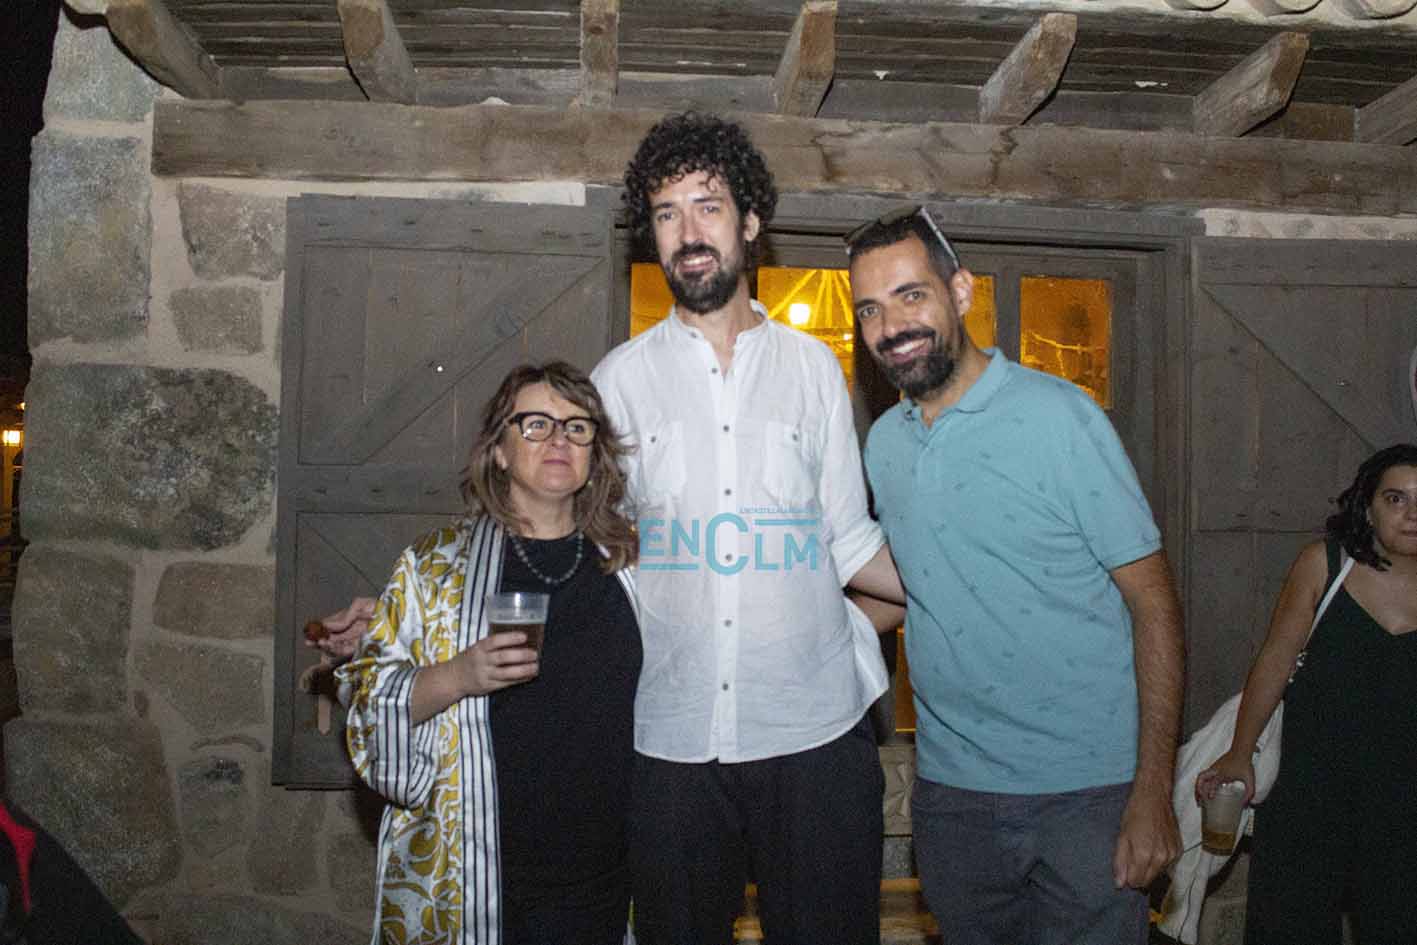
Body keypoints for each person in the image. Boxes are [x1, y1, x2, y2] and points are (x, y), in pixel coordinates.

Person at [590, 111, 907, 945]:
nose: (688, 232)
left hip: (815, 735)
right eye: (666, 213)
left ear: (751, 221)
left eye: (708, 205)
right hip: (671, 739)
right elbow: (589, 552)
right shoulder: (617, 382)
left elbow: (847, 537)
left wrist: (963, 582)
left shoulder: (813, 368)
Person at [843, 206, 1184, 945]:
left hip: (1086, 793)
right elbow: (925, 583)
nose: (889, 325)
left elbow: (1153, 602)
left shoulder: (1060, 418)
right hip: (952, 795)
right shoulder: (885, 444)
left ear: (961, 291)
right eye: (868, 308)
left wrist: (1153, 788)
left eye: (910, 294)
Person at [335, 361, 641, 945]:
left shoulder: (633, 567)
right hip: (478, 876)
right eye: (536, 424)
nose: (559, 439)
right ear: (499, 450)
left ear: (594, 454)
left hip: (606, 875)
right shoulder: (434, 568)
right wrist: (458, 675)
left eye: (577, 427)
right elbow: (367, 699)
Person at [1195, 444, 1417, 945]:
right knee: (1290, 927)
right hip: (1310, 795)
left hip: (1404, 806)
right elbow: (1275, 659)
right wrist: (1240, 753)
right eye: (1396, 498)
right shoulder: (1326, 565)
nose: (1412, 514)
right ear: (1368, 507)